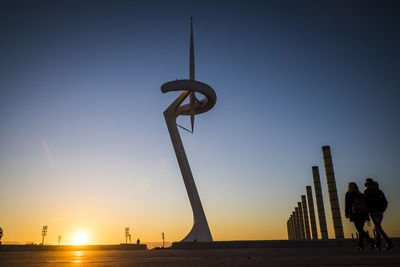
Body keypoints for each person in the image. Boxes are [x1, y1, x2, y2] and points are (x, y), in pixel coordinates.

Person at [364, 178, 393, 250]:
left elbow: (366, 203)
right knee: (377, 228)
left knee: (378, 228)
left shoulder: (367, 191)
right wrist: (382, 209)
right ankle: (378, 245)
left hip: (373, 212)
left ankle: (389, 242)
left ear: (367, 184)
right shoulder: (379, 191)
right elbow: (385, 202)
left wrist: (367, 212)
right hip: (380, 212)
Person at [345, 182, 375, 250]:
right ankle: (361, 245)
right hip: (363, 214)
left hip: (355, 214)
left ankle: (371, 241)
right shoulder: (360, 194)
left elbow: (347, 205)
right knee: (361, 230)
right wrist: (367, 216)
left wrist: (347, 213)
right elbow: (366, 205)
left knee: (360, 230)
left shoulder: (348, 194)